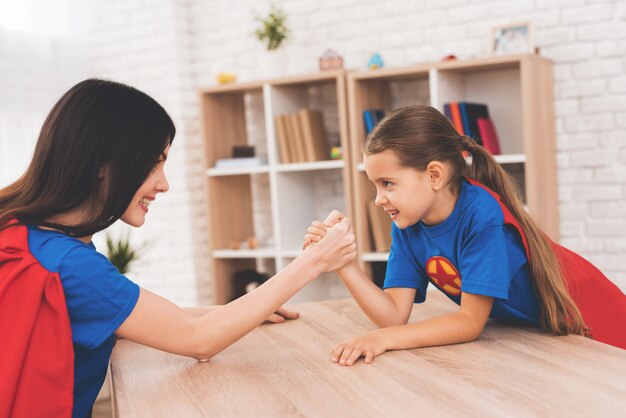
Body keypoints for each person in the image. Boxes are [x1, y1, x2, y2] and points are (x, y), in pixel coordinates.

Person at [0, 79, 357, 417]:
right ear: (104, 166)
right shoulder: (70, 265)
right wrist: (314, 261)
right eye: (155, 163)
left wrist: (242, 309)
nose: (164, 184)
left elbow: (134, 316)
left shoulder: (26, 234)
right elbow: (198, 341)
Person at [304, 105, 626, 366]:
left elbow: (470, 322)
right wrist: (343, 262)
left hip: (591, 312)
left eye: (387, 183)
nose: (378, 199)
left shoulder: (481, 213)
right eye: (375, 186)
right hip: (550, 329)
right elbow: (393, 315)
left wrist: (383, 340)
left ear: (434, 175)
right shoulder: (407, 223)